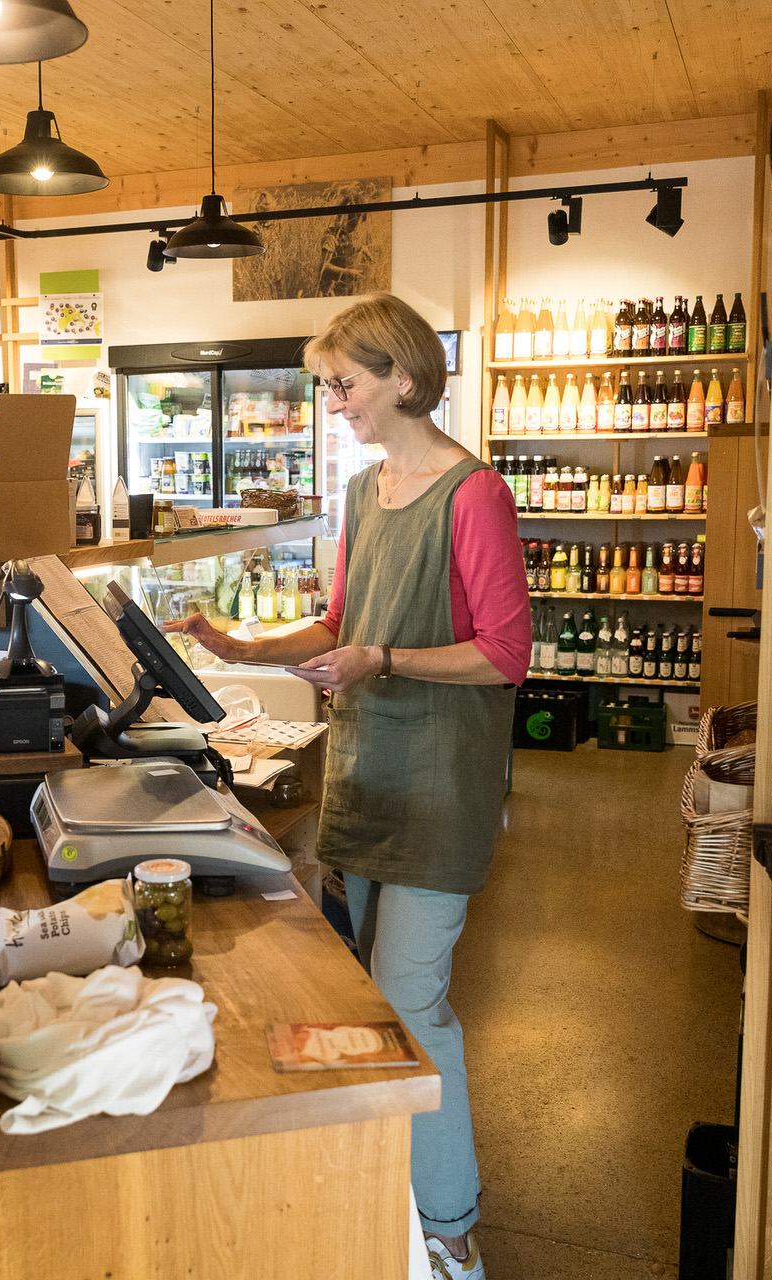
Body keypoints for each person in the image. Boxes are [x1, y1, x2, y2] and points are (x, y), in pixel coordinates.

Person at [168, 293, 529, 1280]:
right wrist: (242, 643)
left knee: (414, 1003)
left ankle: (452, 1223)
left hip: (440, 785)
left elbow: (505, 654)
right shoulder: (366, 494)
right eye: (327, 383)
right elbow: (336, 619)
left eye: (344, 382)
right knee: (372, 993)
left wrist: (384, 658)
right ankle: (396, 1203)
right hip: (366, 776)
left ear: (404, 378)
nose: (331, 400)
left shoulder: (476, 493)